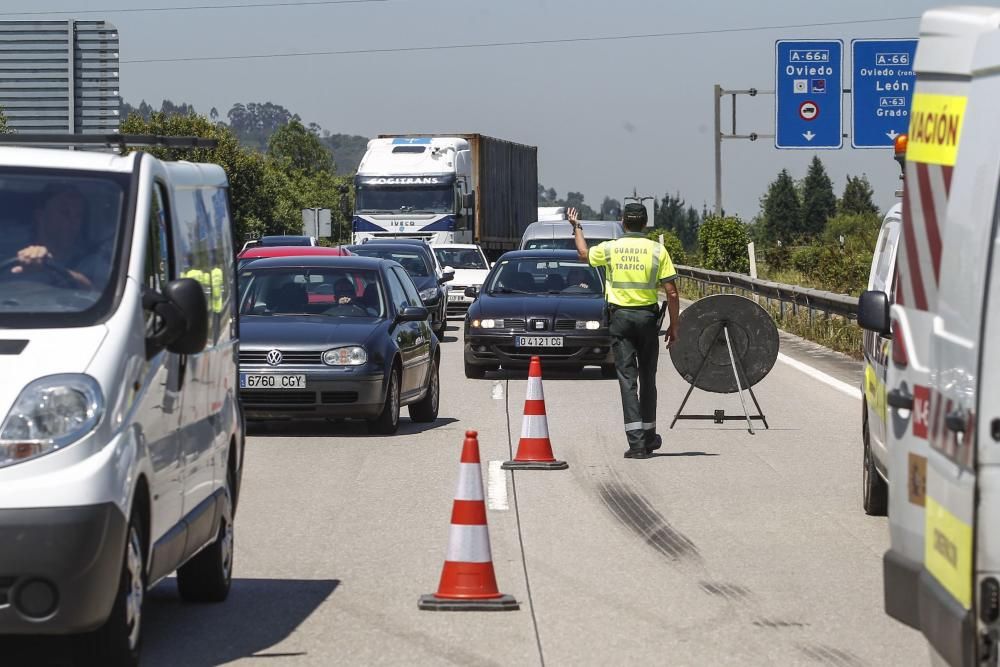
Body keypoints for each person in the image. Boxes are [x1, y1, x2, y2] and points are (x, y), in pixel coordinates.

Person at [571, 204, 680, 459]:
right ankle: (650, 436)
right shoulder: (657, 250)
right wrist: (675, 325)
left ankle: (637, 444)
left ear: (622, 223)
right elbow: (672, 292)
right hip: (647, 319)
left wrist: (576, 227)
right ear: (645, 223)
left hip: (620, 318)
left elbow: (583, 254)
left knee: (628, 380)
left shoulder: (611, 248)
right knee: (648, 378)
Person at [10, 184, 105, 289]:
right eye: (65, 213)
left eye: (78, 215)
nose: (73, 222)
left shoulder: (92, 259)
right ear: (40, 215)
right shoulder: (9, 247)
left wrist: (49, 266)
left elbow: (99, 294)